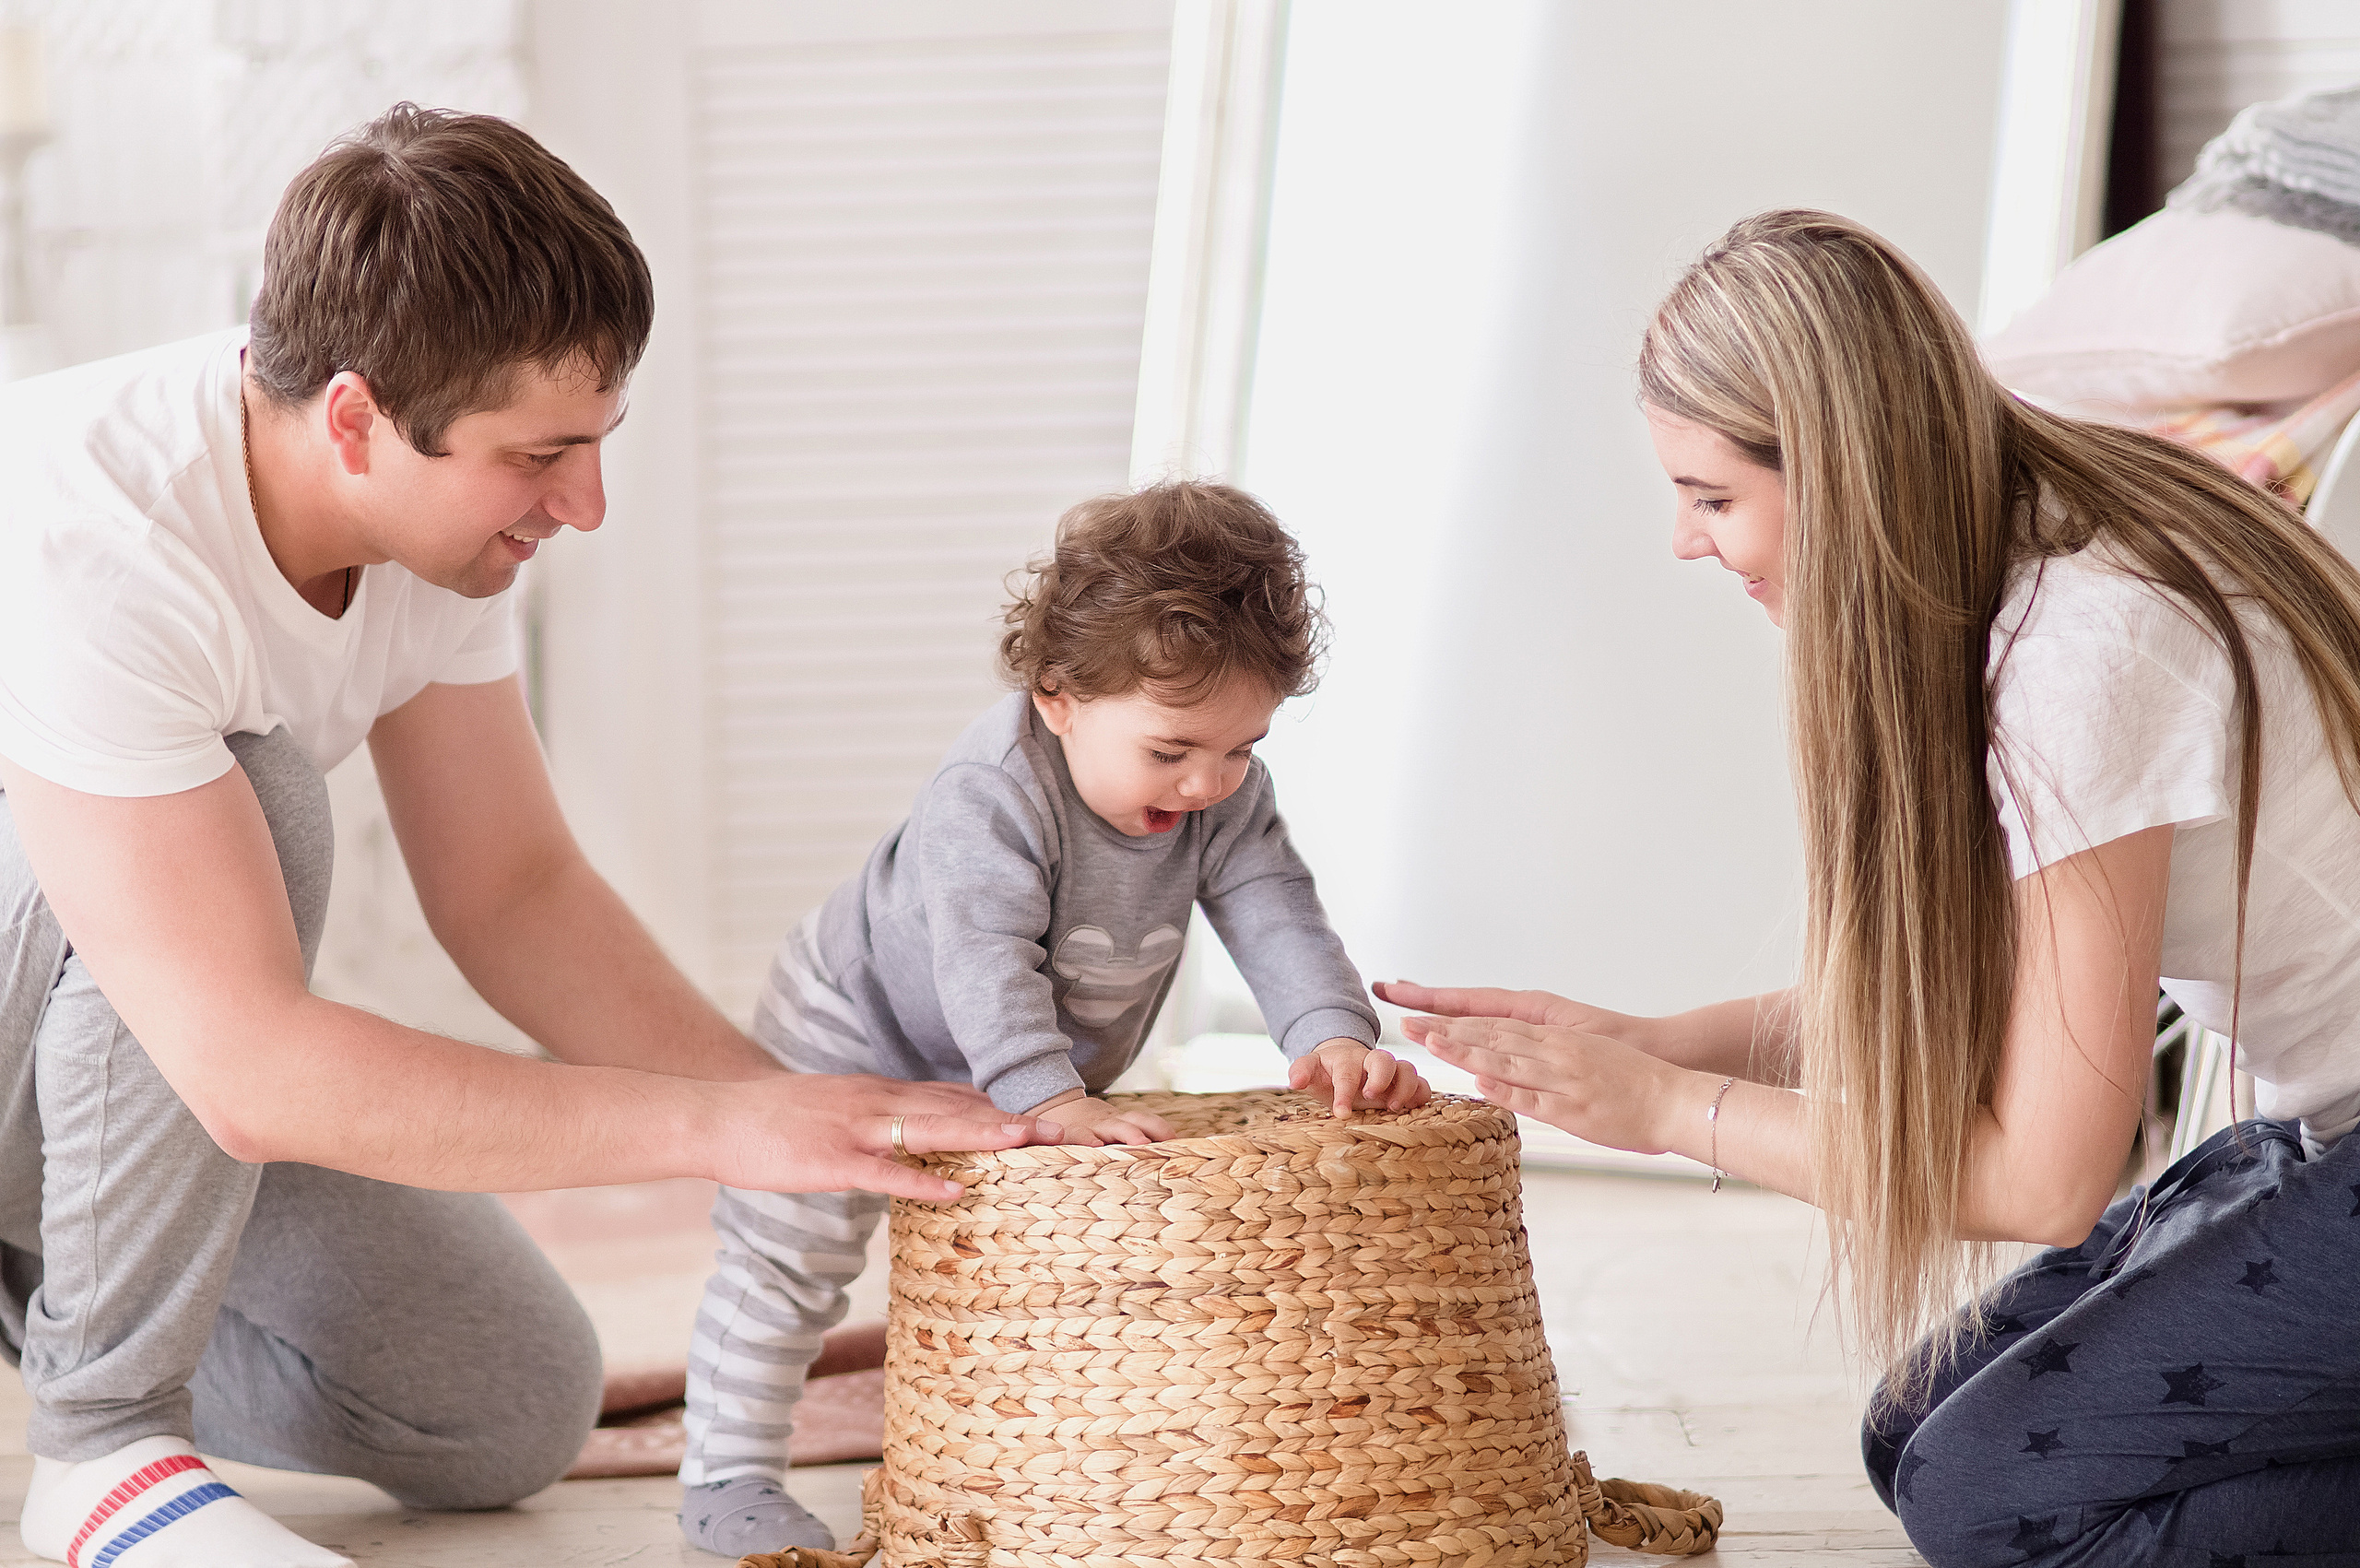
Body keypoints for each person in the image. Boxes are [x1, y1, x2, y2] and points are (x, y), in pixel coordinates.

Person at [0, 104, 1032, 1568]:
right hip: (61, 1024)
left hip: (82, 1078)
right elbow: (241, 1067)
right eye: (542, 455)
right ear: (356, 417)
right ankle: (104, 1444)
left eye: (598, 445)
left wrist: (807, 1117)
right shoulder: (95, 536)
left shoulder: (439, 534)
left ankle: (55, 1290)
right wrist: (709, 1130)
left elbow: (514, 891)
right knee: (263, 794)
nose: (586, 505)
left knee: (502, 1407)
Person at [1386, 209, 2360, 1564]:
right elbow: (1978, 1000)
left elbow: (2041, 1178)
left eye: (1710, 496)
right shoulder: (2042, 531)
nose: (1684, 541)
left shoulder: (2077, 658)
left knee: (1993, 1503)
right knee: (1912, 1432)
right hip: (2327, 1132)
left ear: (1838, 473)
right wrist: (1654, 1041)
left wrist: (1672, 1109)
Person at [677, 479, 1430, 1558]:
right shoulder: (991, 793)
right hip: (855, 1030)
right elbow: (980, 957)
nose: (1210, 782)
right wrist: (1048, 1098)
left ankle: (1041, 1449)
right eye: (1172, 751)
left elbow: (1273, 905)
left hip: (1027, 1062)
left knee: (1050, 1264)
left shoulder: (1218, 794)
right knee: (793, 1254)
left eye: (1242, 747)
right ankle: (728, 1473)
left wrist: (1328, 1033)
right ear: (1059, 695)